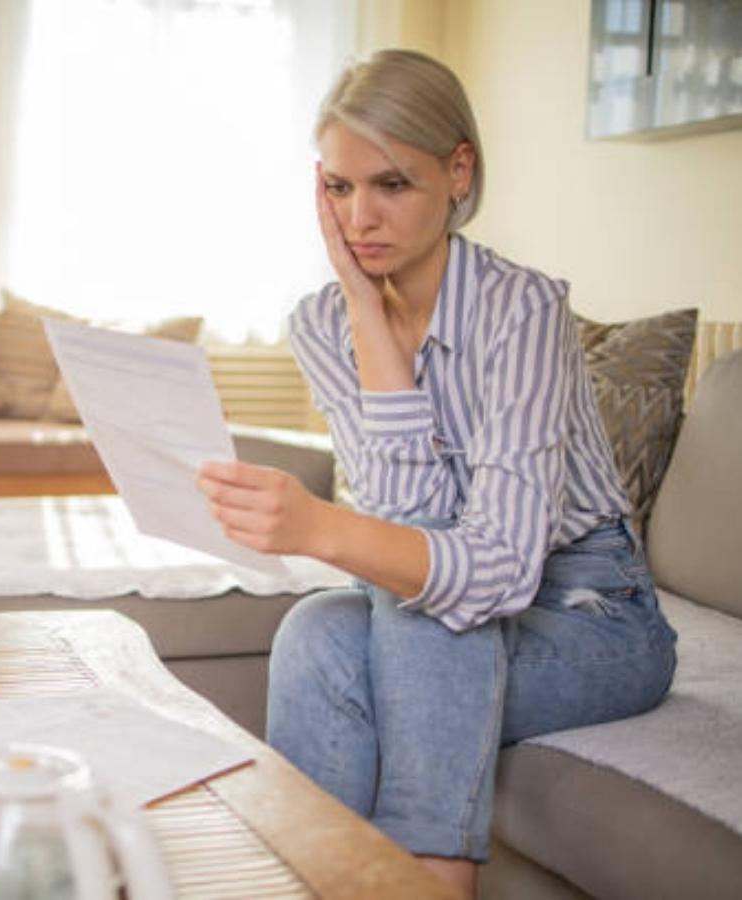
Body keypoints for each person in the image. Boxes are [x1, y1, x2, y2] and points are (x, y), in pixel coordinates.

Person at [197, 48, 677, 898]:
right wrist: (366, 317)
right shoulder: (321, 323)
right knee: (316, 630)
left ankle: (430, 879)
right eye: (339, 189)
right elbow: (411, 530)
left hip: (594, 615)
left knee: (428, 618)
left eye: (391, 185)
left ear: (460, 173)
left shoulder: (523, 310)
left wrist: (318, 527)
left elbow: (493, 574)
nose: (360, 219)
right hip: (462, 606)